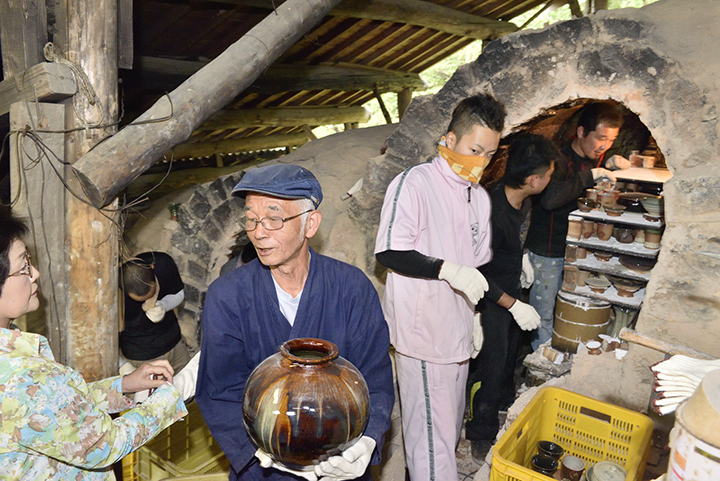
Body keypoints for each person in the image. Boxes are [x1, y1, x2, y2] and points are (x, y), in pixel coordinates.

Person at [196, 164, 394, 481]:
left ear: (310, 223)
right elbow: (220, 390)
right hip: (263, 466)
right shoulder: (228, 296)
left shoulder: (351, 287)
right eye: (251, 219)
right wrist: (260, 452)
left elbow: (375, 378)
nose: (258, 232)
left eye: (273, 219)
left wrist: (367, 442)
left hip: (338, 463)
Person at [0, 209, 195, 479]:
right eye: (23, 266)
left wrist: (123, 386)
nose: (35, 273)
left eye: (29, 261)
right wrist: (176, 393)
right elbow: (104, 444)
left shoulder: (16, 360)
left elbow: (57, 410)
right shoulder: (22, 376)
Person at [375, 93, 505, 481]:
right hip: (424, 335)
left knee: (447, 432)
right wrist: (447, 270)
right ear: (449, 140)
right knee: (430, 444)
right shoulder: (414, 184)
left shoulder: (478, 197)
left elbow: (475, 268)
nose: (481, 161)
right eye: (474, 150)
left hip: (457, 332)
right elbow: (390, 251)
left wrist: (474, 317)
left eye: (489, 154)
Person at [464, 133, 558, 462]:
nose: (550, 179)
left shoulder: (524, 200)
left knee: (507, 359)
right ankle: (480, 432)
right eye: (549, 174)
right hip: (488, 298)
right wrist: (512, 304)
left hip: (511, 287)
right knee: (489, 369)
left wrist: (522, 257)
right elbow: (476, 272)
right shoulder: (490, 212)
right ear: (534, 180)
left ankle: (504, 405)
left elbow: (515, 240)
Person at [526, 101, 629, 351]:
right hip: (548, 249)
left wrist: (611, 164)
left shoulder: (596, 156)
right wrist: (590, 176)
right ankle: (543, 362)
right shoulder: (557, 158)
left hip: (578, 250)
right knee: (543, 313)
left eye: (611, 140)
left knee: (571, 307)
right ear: (581, 132)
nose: (604, 146)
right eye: (600, 138)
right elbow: (550, 199)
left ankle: (567, 353)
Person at [121, 251, 191, 372]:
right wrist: (122, 365)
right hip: (141, 357)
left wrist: (165, 305)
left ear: (153, 269)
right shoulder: (113, 293)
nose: (148, 301)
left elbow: (178, 292)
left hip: (175, 346)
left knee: (190, 381)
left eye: (151, 294)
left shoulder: (163, 263)